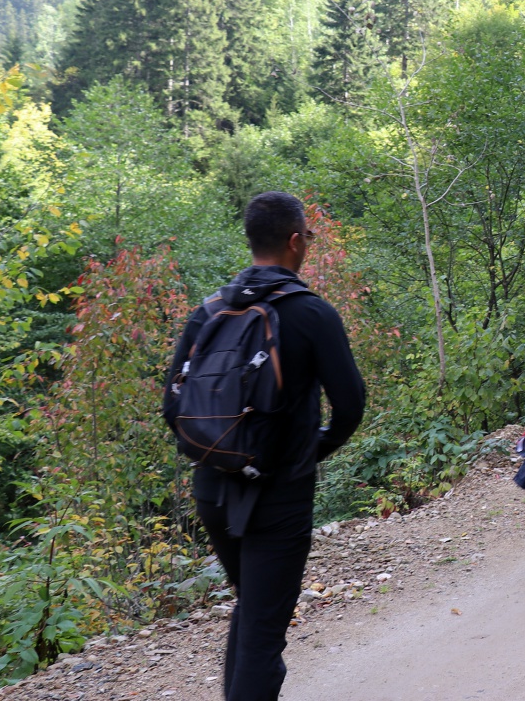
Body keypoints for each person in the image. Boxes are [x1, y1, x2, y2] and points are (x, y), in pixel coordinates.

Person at [164, 192, 367, 701]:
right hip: (279, 496)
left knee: (253, 610)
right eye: (309, 237)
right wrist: (309, 453)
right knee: (262, 632)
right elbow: (349, 407)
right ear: (296, 241)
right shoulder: (311, 313)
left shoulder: (210, 311)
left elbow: (173, 408)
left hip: (213, 490)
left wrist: (222, 454)